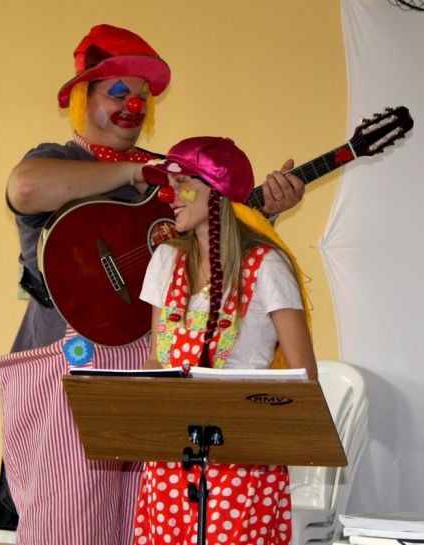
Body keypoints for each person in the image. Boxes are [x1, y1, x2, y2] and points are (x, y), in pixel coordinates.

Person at [0, 24, 307, 545]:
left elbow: (210, 237)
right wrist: (133, 173)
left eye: (142, 96)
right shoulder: (62, 159)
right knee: (68, 520)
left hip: (149, 358)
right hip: (67, 362)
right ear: (82, 98)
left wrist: (259, 212)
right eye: (118, 92)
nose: (132, 105)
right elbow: (24, 187)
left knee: (150, 517)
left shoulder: (171, 176)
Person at [133, 136, 317, 545]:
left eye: (181, 186)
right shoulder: (165, 259)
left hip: (242, 462)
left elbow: (305, 380)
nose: (170, 197)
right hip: (170, 461)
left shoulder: (267, 266)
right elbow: (155, 359)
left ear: (216, 193)